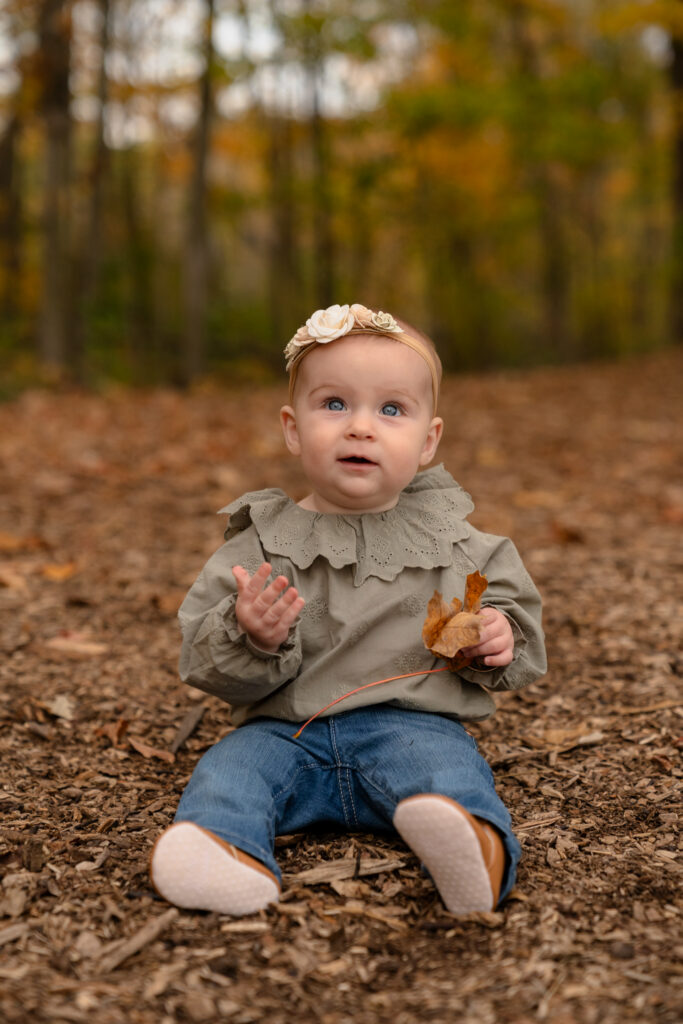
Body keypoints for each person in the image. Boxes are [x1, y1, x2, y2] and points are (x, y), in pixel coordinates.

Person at [150, 303, 546, 918]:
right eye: (334, 404)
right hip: (284, 732)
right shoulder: (259, 544)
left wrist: (496, 632)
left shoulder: (459, 543)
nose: (361, 427)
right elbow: (202, 657)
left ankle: (474, 848)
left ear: (427, 441)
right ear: (292, 428)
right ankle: (224, 850)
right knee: (230, 771)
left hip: (413, 724)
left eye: (391, 410)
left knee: (446, 772)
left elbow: (512, 613)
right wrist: (250, 635)